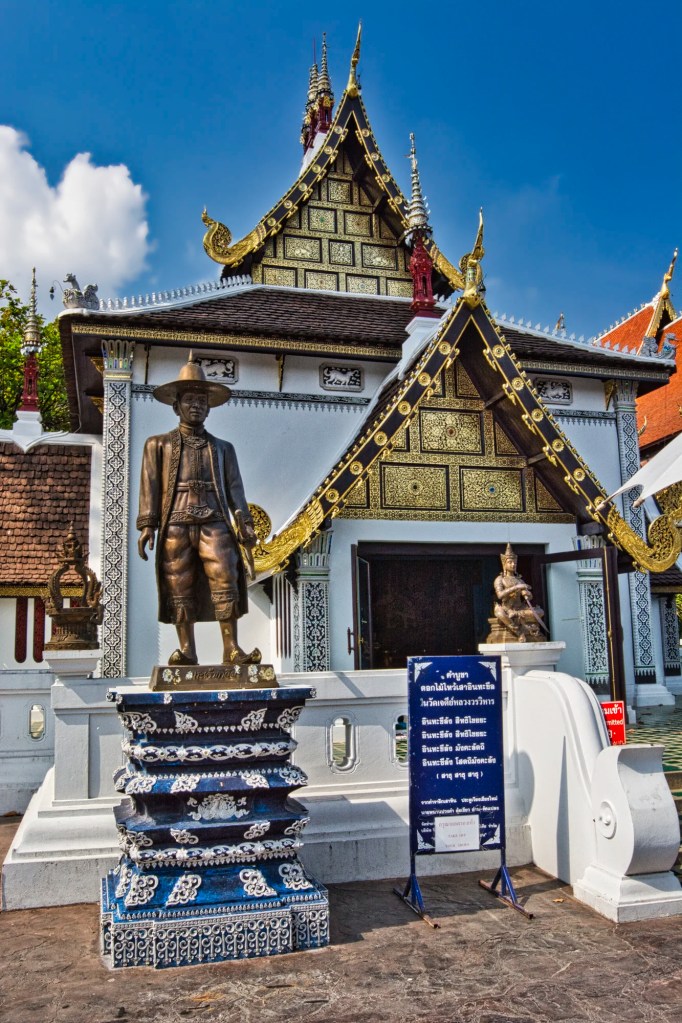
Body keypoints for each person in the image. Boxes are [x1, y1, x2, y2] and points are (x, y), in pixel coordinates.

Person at [137, 355, 260, 666]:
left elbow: (236, 490)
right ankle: (187, 650)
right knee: (179, 582)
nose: (196, 406)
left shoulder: (222, 448)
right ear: (176, 405)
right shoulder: (158, 445)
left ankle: (231, 649)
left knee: (225, 578)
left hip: (215, 521)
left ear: (209, 407)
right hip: (175, 522)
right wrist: (147, 525)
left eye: (202, 401)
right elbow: (149, 486)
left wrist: (244, 524)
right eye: (189, 400)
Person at [492, 543, 545, 643]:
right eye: (510, 562)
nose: (513, 564)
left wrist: (527, 595)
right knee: (499, 613)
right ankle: (519, 632)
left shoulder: (519, 580)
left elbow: (529, 597)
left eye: (514, 563)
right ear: (504, 564)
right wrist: (516, 587)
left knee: (540, 612)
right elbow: (500, 595)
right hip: (507, 608)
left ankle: (516, 614)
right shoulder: (500, 579)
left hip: (520, 608)